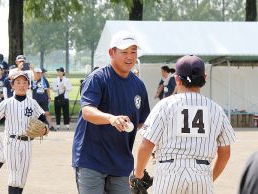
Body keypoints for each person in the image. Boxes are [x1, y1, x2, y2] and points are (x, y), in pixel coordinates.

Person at [132, 55, 236, 194]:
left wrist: (138, 174)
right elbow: (225, 152)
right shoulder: (216, 109)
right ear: (205, 78)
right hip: (201, 173)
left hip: (169, 174)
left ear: (177, 79)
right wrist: (208, 178)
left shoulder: (165, 105)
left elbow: (146, 145)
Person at [72, 30, 150, 194]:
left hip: (121, 162)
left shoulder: (139, 86)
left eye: (133, 52)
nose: (130, 57)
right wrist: (111, 118)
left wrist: (156, 137)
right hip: (91, 160)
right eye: (124, 52)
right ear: (111, 53)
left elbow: (143, 122)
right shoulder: (97, 79)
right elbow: (87, 111)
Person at [0, 71, 49, 194]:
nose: (22, 85)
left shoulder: (33, 103)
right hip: (11, 142)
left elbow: (43, 120)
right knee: (14, 178)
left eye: (25, 83)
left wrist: (45, 128)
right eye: (18, 82)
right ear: (12, 85)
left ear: (28, 85)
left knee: (22, 179)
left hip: (27, 143)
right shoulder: (7, 103)